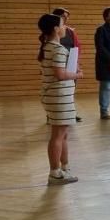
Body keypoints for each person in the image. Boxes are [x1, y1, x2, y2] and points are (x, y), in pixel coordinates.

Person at [37, 13, 82, 184]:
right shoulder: (57, 49)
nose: (65, 28)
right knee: (58, 135)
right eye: (63, 25)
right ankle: (55, 172)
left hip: (57, 96)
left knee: (62, 135)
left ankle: (64, 168)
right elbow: (61, 74)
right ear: (56, 29)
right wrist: (77, 74)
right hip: (59, 97)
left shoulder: (48, 47)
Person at [52, 7, 83, 122]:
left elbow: (77, 47)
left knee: (70, 90)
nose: (66, 19)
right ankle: (53, 114)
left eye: (67, 17)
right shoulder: (52, 31)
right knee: (58, 90)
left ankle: (70, 113)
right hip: (58, 64)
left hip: (71, 63)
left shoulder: (70, 31)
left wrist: (77, 63)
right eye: (63, 16)